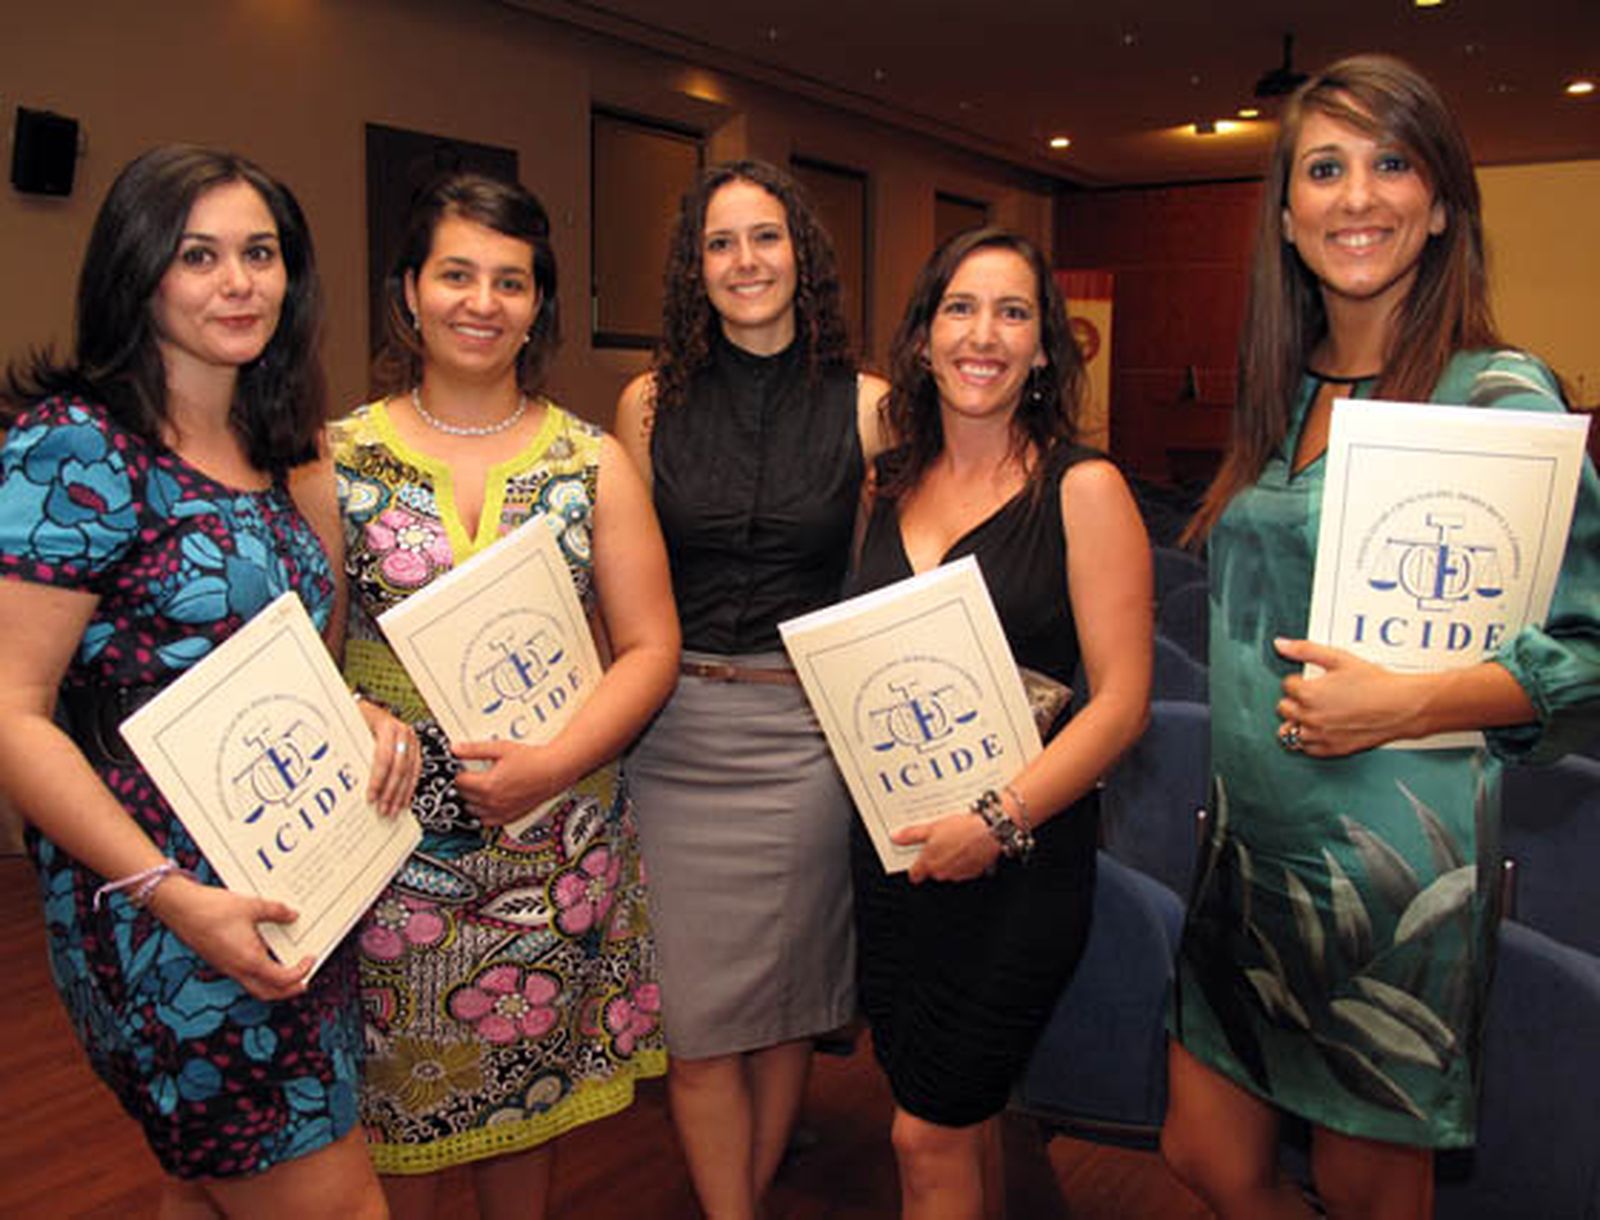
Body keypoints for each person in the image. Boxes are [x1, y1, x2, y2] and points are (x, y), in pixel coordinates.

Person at [1160, 55, 1600, 1220]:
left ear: (1442, 200)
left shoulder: (1495, 396)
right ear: (1288, 216)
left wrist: (1403, 704)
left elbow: (1589, 651)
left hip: (1389, 873)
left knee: (1367, 1188)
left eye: (1390, 162)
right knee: (1202, 1150)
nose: (1356, 196)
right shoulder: (1281, 396)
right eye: (1325, 168)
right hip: (1247, 856)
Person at [0, 145, 419, 1217]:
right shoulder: (76, 447)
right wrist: (171, 896)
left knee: (213, 1191)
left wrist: (356, 709)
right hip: (166, 916)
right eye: (200, 255)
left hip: (287, 884)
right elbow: (11, 708)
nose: (239, 282)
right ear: (138, 272)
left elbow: (272, 662)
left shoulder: (270, 446)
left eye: (261, 253)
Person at [332, 171, 678, 1220]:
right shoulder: (336, 459)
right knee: (404, 1120)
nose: (481, 301)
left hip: (555, 842)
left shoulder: (592, 462)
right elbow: (298, 658)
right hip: (392, 851)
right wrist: (352, 710)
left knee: (533, 1108)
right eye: (456, 274)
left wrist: (556, 762)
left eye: (511, 281)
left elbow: (651, 645)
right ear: (407, 291)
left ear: (540, 304)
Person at [848, 226, 1153, 1220]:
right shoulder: (885, 482)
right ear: (925, 334)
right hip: (896, 858)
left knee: (922, 1131)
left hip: (1019, 857)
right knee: (957, 1110)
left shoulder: (1084, 487)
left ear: (1043, 346)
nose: (983, 334)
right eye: (960, 307)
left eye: (1012, 311)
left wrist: (997, 818)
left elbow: (1119, 702)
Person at [614, 159, 888, 1220]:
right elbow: (621, 584)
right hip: (673, 730)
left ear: (801, 254)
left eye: (764, 237)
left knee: (786, 1006)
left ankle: (746, 1199)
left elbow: (883, 586)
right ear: (695, 267)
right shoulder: (647, 402)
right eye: (719, 243)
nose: (744, 262)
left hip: (808, 739)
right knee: (694, 1021)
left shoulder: (870, 407)